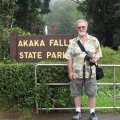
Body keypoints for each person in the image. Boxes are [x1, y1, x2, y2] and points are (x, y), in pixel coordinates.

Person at [64, 19, 102, 120]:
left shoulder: (94, 40)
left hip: (91, 73)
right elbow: (68, 57)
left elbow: (99, 53)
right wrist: (70, 71)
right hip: (76, 73)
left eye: (83, 27)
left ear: (86, 27)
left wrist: (94, 59)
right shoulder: (72, 42)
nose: (81, 29)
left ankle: (92, 113)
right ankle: (77, 111)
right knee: (76, 92)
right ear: (76, 29)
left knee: (92, 93)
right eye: (79, 27)